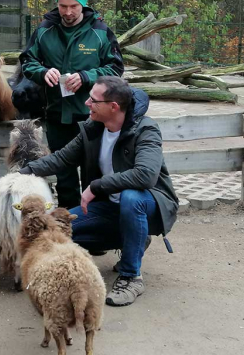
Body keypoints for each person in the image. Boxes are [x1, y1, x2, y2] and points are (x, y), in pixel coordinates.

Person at [19, 76, 179, 306]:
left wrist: (97, 186)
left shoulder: (145, 129)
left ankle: (131, 276)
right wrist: (21, 174)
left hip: (149, 205)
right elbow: (61, 159)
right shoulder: (93, 129)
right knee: (55, 228)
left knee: (131, 198)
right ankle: (133, 239)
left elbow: (146, 175)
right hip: (109, 208)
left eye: (93, 100)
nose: (86, 103)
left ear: (113, 106)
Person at [19, 0, 124, 209]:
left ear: (83, 4)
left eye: (74, 6)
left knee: (93, 175)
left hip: (92, 118)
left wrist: (87, 77)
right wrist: (43, 72)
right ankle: (69, 227)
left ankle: (94, 228)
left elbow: (116, 67)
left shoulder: (100, 32)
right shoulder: (45, 30)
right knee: (64, 177)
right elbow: (27, 61)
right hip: (56, 116)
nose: (68, 12)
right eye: (63, 5)